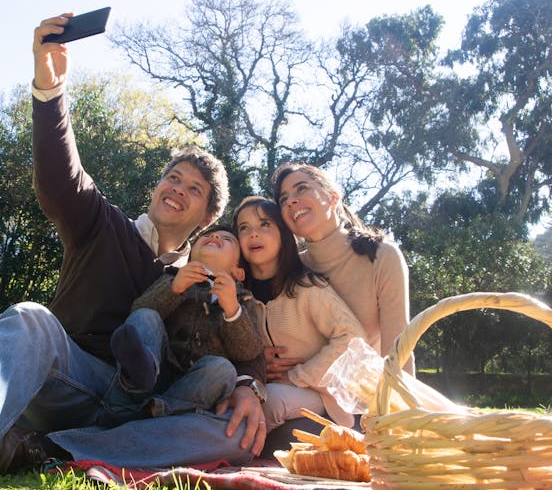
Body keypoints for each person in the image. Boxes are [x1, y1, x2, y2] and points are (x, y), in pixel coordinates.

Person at [0, 13, 266, 490]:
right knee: (30, 317)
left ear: (206, 218)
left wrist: (249, 386)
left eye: (195, 189)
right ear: (157, 186)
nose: (178, 190)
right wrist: (49, 90)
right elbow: (61, 179)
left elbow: (240, 343)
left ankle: (49, 450)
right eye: (173, 178)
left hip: (146, 412)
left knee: (234, 438)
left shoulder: (201, 285)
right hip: (69, 380)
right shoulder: (103, 224)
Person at [103, 224, 265, 426]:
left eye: (227, 239)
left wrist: (232, 310)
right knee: (145, 317)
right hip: (158, 369)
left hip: (195, 385)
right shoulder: (172, 276)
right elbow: (139, 308)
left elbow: (248, 351)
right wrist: (175, 288)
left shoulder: (243, 300)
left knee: (223, 370)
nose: (214, 236)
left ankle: (153, 410)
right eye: (207, 235)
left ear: (238, 273)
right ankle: (136, 377)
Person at [232, 196, 365, 431]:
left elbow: (352, 337)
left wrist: (297, 375)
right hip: (260, 388)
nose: (254, 233)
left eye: (265, 224)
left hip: (318, 393)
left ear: (284, 234)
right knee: (243, 400)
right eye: (244, 228)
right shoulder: (237, 294)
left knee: (268, 401)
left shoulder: (308, 287)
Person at [271, 163, 415, 375]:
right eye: (283, 200)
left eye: (302, 188)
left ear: (333, 197)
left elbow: (398, 352)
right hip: (297, 393)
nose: (291, 201)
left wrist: (400, 405)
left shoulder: (382, 255)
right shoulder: (289, 269)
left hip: (365, 397)